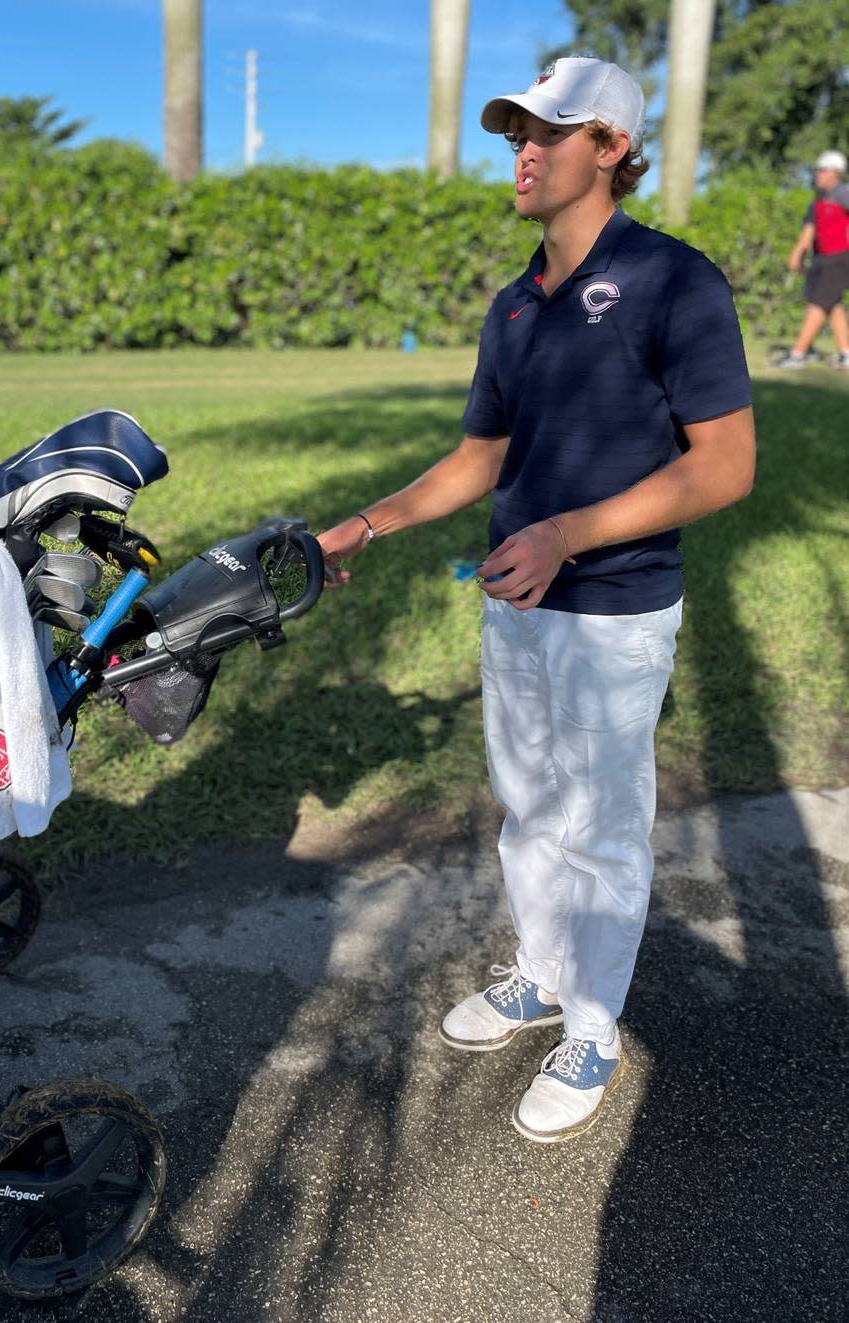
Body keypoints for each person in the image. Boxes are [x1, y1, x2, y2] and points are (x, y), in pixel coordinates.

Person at [317, 57, 755, 1144]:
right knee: (529, 807)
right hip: (518, 598)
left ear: (611, 149)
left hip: (616, 608)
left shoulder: (674, 279)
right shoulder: (516, 305)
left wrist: (570, 532)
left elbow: (725, 465)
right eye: (516, 129)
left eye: (550, 131)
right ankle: (542, 975)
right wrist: (364, 523)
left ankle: (594, 1027)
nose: (523, 148)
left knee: (604, 828)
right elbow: (479, 459)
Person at [778, 149, 849, 370]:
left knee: (818, 305)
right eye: (817, 170)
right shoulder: (818, 199)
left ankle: (797, 355)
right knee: (832, 305)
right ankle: (846, 354)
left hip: (839, 258)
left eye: (822, 170)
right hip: (821, 259)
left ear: (836, 172)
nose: (817, 174)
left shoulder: (844, 193)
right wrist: (797, 254)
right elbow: (809, 229)